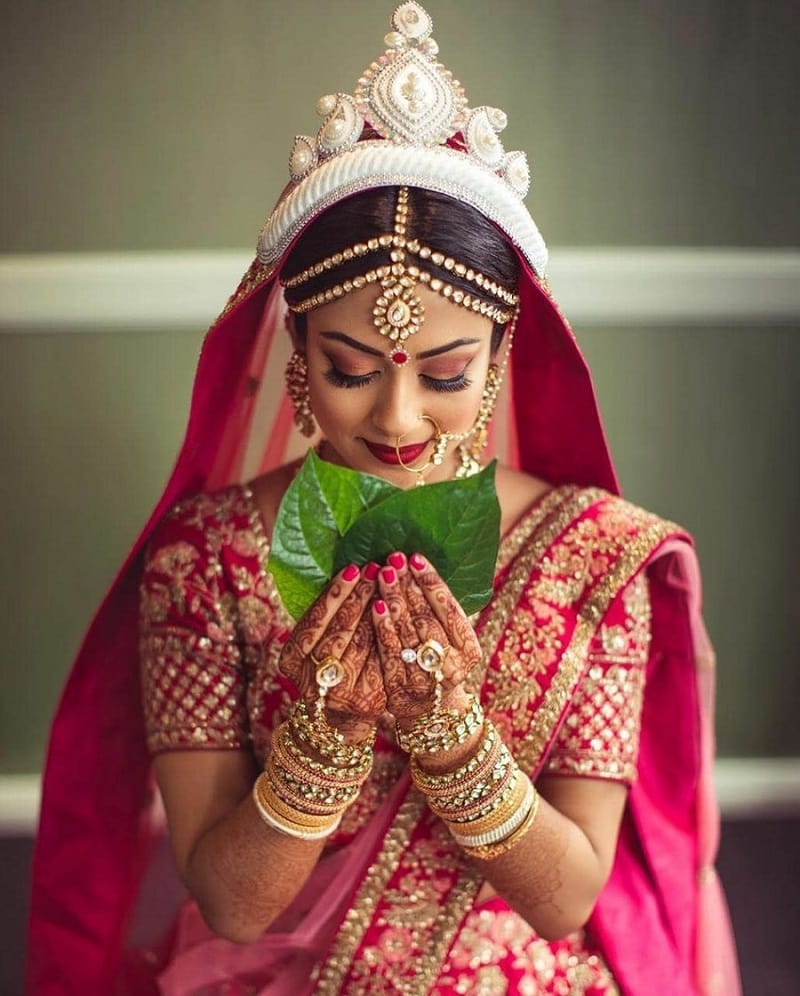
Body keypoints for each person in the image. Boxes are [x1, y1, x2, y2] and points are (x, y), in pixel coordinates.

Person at [26, 4, 741, 994]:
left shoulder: (591, 554)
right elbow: (229, 902)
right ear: (296, 357)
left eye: (443, 373)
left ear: (496, 363)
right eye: (351, 367)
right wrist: (320, 741)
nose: (398, 416)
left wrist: (452, 735)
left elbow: (567, 897)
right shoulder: (209, 559)